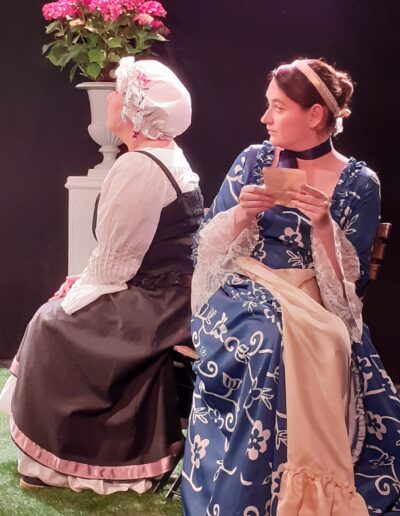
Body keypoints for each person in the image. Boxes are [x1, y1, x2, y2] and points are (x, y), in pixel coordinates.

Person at [181, 58, 400, 515]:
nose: (265, 118)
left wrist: (323, 225)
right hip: (240, 291)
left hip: (313, 303)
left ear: (315, 114)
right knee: (269, 338)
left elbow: (349, 291)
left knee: (316, 338)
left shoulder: (360, 184)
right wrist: (242, 214)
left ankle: (300, 486)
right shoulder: (253, 160)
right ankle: (246, 490)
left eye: (278, 107)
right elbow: (206, 252)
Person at [0, 57, 204, 494]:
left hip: (158, 303)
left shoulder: (139, 166)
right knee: (62, 310)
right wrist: (86, 279)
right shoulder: (165, 155)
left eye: (118, 92)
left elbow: (116, 265)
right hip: (171, 293)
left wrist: (80, 290)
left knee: (53, 324)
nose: (111, 98)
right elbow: (124, 254)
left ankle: (64, 461)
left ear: (134, 111)